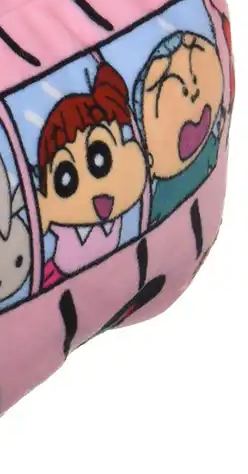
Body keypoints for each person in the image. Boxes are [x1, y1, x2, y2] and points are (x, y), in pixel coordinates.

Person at [36, 63, 148, 287]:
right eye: (65, 181)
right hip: (58, 279)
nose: (95, 191)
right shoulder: (61, 224)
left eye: (100, 159)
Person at [132, 32, 225, 225]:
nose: (192, 91)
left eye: (193, 46)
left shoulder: (211, 146)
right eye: (162, 83)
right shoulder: (159, 198)